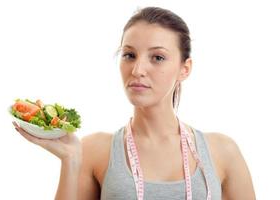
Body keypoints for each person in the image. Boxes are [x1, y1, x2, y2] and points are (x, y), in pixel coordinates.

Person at [13, 6, 256, 200]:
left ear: (185, 69)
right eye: (129, 55)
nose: (138, 69)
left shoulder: (223, 151)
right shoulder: (95, 150)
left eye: (158, 57)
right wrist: (71, 160)